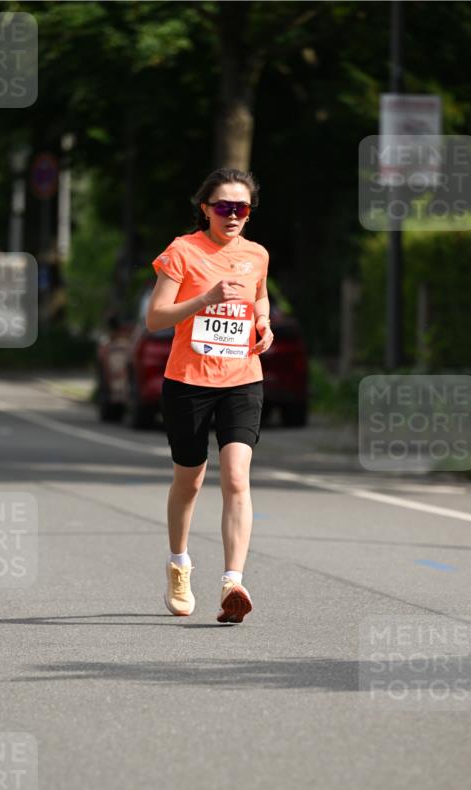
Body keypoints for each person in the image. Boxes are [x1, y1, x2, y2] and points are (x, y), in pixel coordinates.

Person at [147, 167, 274, 624]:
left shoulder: (256, 254)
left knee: (237, 478)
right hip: (188, 382)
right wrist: (206, 298)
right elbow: (156, 318)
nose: (234, 215)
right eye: (224, 207)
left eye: (242, 208)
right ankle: (179, 564)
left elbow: (258, 299)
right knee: (191, 479)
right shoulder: (183, 251)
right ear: (206, 209)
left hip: (242, 378)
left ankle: (232, 582)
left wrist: (264, 324)